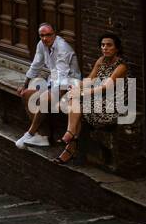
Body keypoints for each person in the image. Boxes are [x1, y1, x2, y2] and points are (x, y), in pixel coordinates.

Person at [57, 34, 129, 164]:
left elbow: (105, 88)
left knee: (77, 105)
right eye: (102, 45)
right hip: (97, 101)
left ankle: (70, 142)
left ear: (117, 48)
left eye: (109, 45)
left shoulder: (121, 67)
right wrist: (75, 87)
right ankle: (70, 138)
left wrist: (83, 93)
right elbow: (89, 80)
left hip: (112, 107)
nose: (105, 48)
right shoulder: (101, 61)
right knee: (74, 101)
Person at [16, 24, 81, 149]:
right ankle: (42, 136)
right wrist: (24, 85)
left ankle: (30, 133)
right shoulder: (41, 44)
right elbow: (36, 65)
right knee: (26, 94)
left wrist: (54, 95)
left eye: (48, 35)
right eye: (42, 35)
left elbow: (62, 76)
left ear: (54, 34)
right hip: (54, 81)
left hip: (69, 84)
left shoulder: (63, 48)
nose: (45, 38)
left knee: (45, 98)